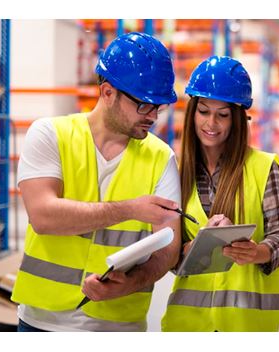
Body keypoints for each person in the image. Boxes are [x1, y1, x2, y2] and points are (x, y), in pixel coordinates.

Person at [11, 32, 182, 332]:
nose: (153, 116)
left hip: (118, 327)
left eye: (159, 107)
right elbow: (43, 216)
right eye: (144, 104)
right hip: (42, 323)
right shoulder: (50, 134)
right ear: (107, 93)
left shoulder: (161, 157)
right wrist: (129, 209)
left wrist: (131, 283)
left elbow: (168, 247)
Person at [161, 56, 279, 332]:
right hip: (188, 325)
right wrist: (196, 246)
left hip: (244, 325)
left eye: (222, 115)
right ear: (193, 112)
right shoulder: (176, 171)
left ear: (238, 119)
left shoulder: (264, 167)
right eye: (204, 112)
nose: (211, 123)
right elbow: (170, 258)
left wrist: (257, 252)